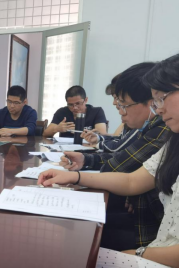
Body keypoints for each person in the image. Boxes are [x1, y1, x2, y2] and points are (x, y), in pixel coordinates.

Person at [37, 53, 179, 268]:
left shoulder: (163, 131)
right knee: (66, 259)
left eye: (162, 98)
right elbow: (132, 180)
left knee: (72, 267)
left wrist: (139, 254)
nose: (159, 109)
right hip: (158, 250)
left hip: (166, 265)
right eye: (155, 101)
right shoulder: (175, 141)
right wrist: (75, 176)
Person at [60, 62, 170, 249]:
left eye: (122, 104)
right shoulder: (156, 127)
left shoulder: (162, 128)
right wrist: (87, 160)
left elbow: (118, 167)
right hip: (144, 217)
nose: (160, 109)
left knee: (79, 237)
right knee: (77, 227)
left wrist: (77, 176)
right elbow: (131, 174)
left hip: (149, 230)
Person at [42, 85, 107, 138]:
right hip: (65, 147)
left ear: (86, 100)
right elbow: (45, 134)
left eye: (78, 103)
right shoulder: (62, 112)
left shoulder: (96, 111)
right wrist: (56, 128)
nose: (75, 108)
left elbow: (102, 134)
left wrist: (79, 130)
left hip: (89, 146)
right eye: (70, 105)